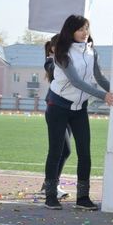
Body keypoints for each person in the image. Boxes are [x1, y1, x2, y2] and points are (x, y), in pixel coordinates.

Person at [44, 15, 113, 210]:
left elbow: (100, 78)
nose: (85, 33)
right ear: (70, 31)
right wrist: (103, 96)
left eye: (86, 28)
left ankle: (83, 198)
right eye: (80, 29)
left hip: (80, 109)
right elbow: (76, 81)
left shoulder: (92, 52)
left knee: (85, 153)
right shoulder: (62, 53)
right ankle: (50, 196)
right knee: (56, 151)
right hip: (58, 107)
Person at [39, 34, 71, 200]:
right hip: (56, 107)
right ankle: (51, 185)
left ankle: (49, 183)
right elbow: (55, 69)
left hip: (71, 108)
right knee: (60, 150)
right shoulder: (50, 62)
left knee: (65, 151)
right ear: (52, 48)